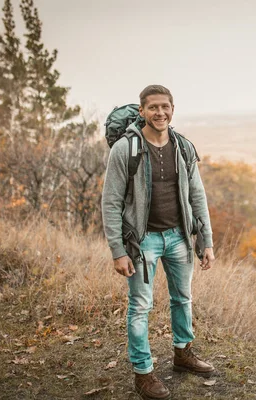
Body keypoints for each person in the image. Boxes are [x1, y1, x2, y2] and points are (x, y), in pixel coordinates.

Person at [101, 85, 216, 400]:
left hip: (178, 236)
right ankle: (143, 373)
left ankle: (183, 354)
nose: (160, 112)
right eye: (153, 107)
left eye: (165, 107)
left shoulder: (182, 147)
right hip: (142, 241)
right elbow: (110, 203)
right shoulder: (125, 149)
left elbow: (197, 195)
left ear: (173, 109)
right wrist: (118, 251)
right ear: (142, 111)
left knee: (183, 298)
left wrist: (205, 240)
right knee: (140, 306)